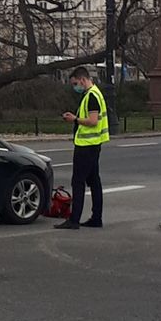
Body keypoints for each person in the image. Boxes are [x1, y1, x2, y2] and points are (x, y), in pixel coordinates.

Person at [56, 65, 109, 230]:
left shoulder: (92, 96)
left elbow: (93, 121)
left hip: (86, 145)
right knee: (94, 181)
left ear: (83, 80)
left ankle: (74, 219)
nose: (75, 87)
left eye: (75, 83)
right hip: (93, 144)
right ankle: (96, 217)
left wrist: (75, 119)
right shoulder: (94, 94)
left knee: (78, 182)